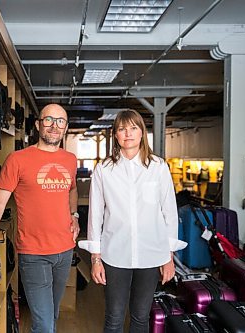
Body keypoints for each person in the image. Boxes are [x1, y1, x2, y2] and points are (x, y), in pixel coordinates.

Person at [79, 109, 186, 333]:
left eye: (133, 128)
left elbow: (169, 213)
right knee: (114, 317)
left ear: (141, 133)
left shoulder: (158, 167)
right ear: (115, 135)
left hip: (151, 255)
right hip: (114, 255)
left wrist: (169, 257)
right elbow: (95, 215)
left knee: (140, 317)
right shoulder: (104, 170)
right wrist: (96, 258)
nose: (128, 133)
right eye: (122, 129)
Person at [0, 103, 80, 333]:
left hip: (65, 250)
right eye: (48, 120)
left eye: (60, 121)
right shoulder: (17, 159)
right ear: (38, 125)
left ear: (66, 127)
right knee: (44, 325)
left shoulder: (70, 159)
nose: (54, 126)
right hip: (34, 253)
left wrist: (74, 215)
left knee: (52, 315)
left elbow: (72, 189)